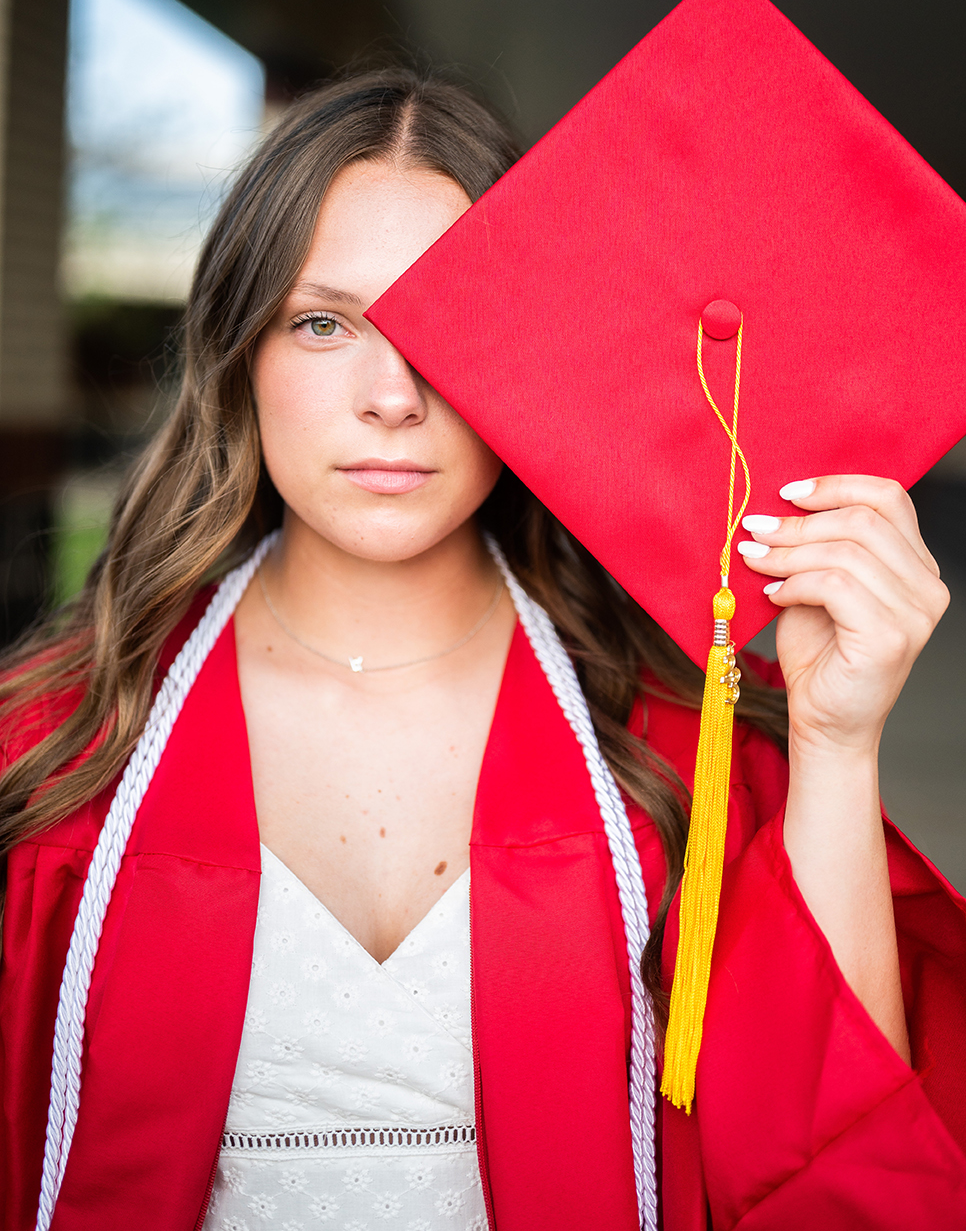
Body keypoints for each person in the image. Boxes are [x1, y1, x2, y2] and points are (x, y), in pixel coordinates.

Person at [1, 70, 964, 1231]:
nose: (391, 395)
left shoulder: (676, 742)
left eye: (442, 327)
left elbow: (834, 1158)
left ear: (541, 361)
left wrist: (835, 739)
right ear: (239, 352)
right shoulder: (61, 743)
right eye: (323, 323)